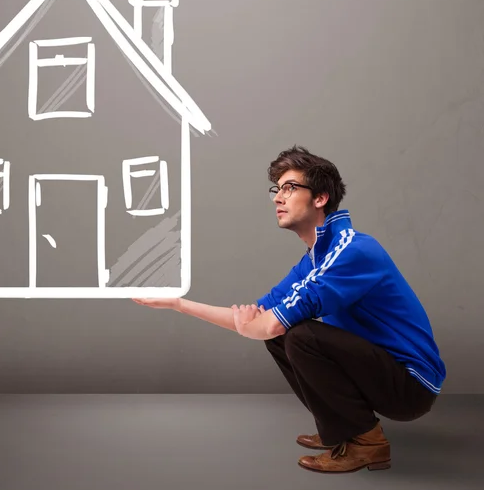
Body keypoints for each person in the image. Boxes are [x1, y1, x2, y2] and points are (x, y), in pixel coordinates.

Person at [132, 145, 446, 474]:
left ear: (320, 198)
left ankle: (368, 444)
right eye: (276, 190)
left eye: (289, 188)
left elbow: (267, 324)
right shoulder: (313, 261)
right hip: (380, 372)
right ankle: (340, 429)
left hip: (412, 386)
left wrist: (255, 326)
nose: (277, 198)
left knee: (300, 336)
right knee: (285, 336)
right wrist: (178, 304)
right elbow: (259, 316)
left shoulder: (352, 250)